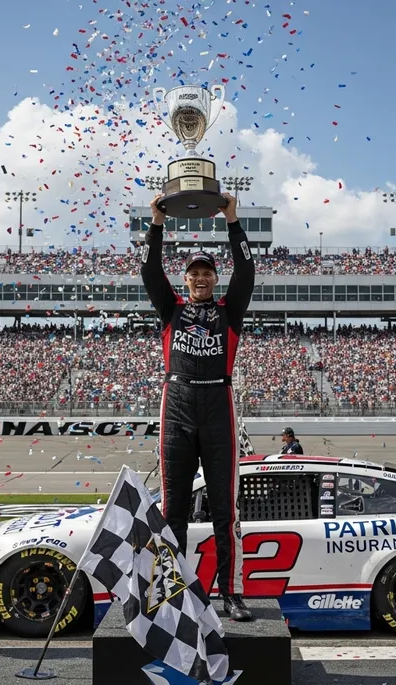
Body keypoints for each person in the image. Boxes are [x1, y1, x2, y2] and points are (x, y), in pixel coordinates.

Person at [142, 192, 254, 622]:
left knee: (226, 507)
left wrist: (232, 221)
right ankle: (173, 593)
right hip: (178, 404)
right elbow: (150, 270)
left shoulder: (231, 311)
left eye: (207, 272)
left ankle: (231, 592)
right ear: (186, 280)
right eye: (194, 273)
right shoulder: (171, 309)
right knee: (174, 509)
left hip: (218, 403)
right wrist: (156, 223)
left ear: (214, 278)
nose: (201, 278)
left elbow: (247, 268)